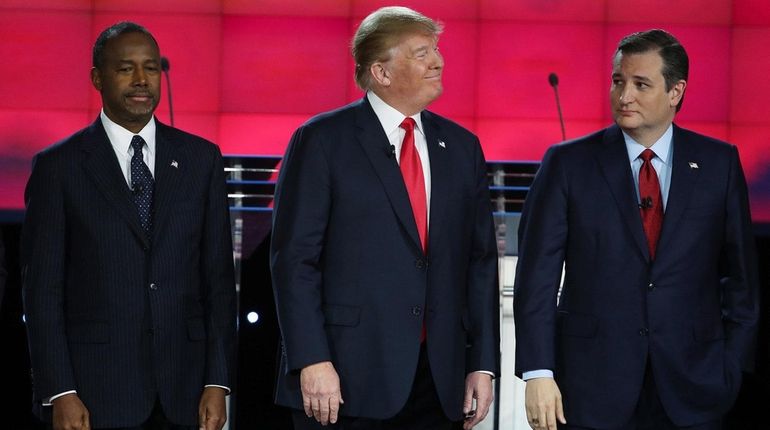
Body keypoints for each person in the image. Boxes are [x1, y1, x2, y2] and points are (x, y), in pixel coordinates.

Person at [513, 29, 759, 430]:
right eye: (618, 81)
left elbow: (741, 281)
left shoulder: (720, 164)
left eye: (641, 84)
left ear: (675, 91)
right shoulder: (567, 164)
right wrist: (538, 372)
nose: (624, 96)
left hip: (694, 386)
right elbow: (536, 278)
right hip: (590, 386)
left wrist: (730, 369)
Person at [270, 6, 500, 430]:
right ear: (381, 72)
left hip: (439, 381)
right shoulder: (322, 141)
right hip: (344, 379)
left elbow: (481, 262)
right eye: (421, 53)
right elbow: (294, 260)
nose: (439, 61)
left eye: (436, 50)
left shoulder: (463, 147)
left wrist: (482, 364)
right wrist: (312, 359)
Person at [21, 21, 237, 430]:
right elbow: (41, 292)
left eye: (151, 68)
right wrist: (60, 391)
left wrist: (217, 380)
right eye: (125, 69)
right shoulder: (58, 167)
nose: (142, 80)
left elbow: (219, 281)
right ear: (97, 78)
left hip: (185, 391)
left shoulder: (201, 160)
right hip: (93, 392)